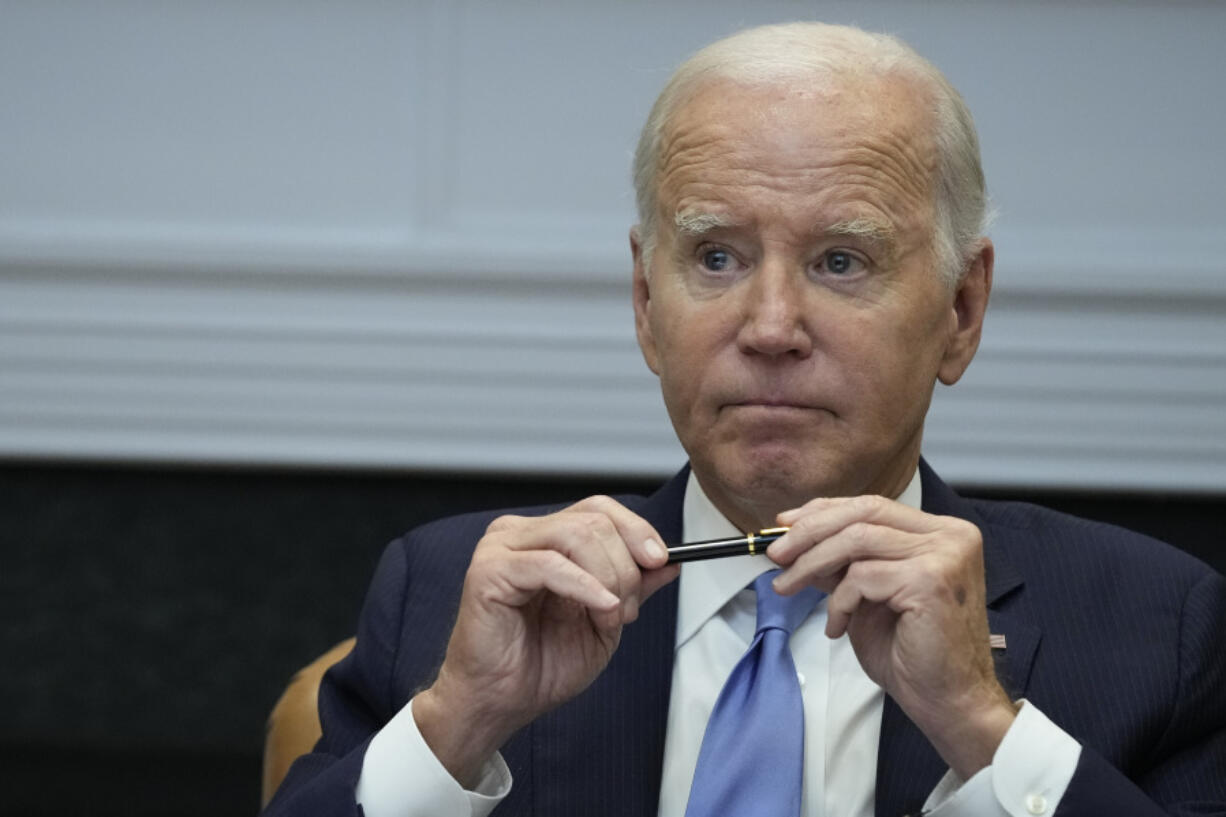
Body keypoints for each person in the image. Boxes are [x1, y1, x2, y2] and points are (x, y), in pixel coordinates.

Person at [263, 21, 1226, 817]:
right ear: (646, 302)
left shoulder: (1157, 629)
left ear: (961, 312)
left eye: (842, 261)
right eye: (716, 258)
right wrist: (457, 722)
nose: (770, 328)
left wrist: (985, 731)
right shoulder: (442, 598)